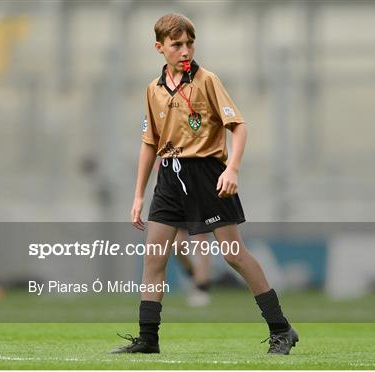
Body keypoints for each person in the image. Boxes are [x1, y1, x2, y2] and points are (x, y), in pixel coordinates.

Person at [111, 13, 298, 355]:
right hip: (169, 176)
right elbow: (150, 142)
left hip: (208, 175)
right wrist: (138, 194)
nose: (185, 51)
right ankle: (148, 339)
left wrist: (233, 170)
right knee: (154, 258)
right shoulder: (152, 90)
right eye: (176, 44)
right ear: (159, 47)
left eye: (189, 43)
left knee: (234, 255)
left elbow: (238, 126)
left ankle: (281, 328)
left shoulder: (208, 80)